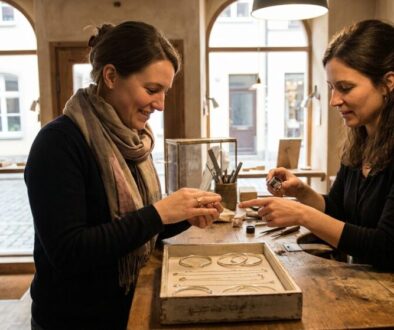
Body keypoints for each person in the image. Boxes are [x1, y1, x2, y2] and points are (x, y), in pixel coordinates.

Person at [25, 21, 222, 330]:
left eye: (165, 92)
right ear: (111, 76)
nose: (160, 104)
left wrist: (185, 214)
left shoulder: (132, 142)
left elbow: (135, 230)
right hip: (73, 320)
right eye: (152, 90)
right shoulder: (58, 143)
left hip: (127, 309)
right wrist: (160, 213)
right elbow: (70, 252)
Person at [240, 19, 394, 269]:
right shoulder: (360, 145)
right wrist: (302, 192)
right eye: (332, 88)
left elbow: (386, 247)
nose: (334, 100)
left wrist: (302, 215)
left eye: (345, 88)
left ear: (388, 82)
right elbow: (338, 212)